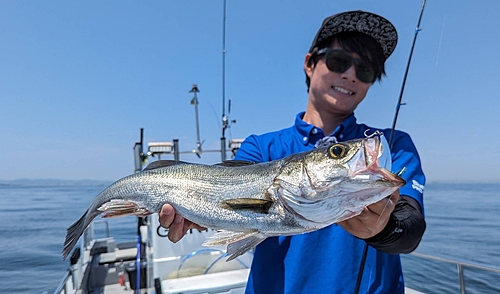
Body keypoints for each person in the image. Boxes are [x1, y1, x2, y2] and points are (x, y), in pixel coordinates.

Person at [159, 10, 426, 294]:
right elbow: (231, 206)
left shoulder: (390, 144)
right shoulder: (262, 148)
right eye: (339, 61)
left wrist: (382, 229)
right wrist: (197, 214)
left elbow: (409, 231)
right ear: (310, 63)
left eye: (365, 70)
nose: (350, 75)